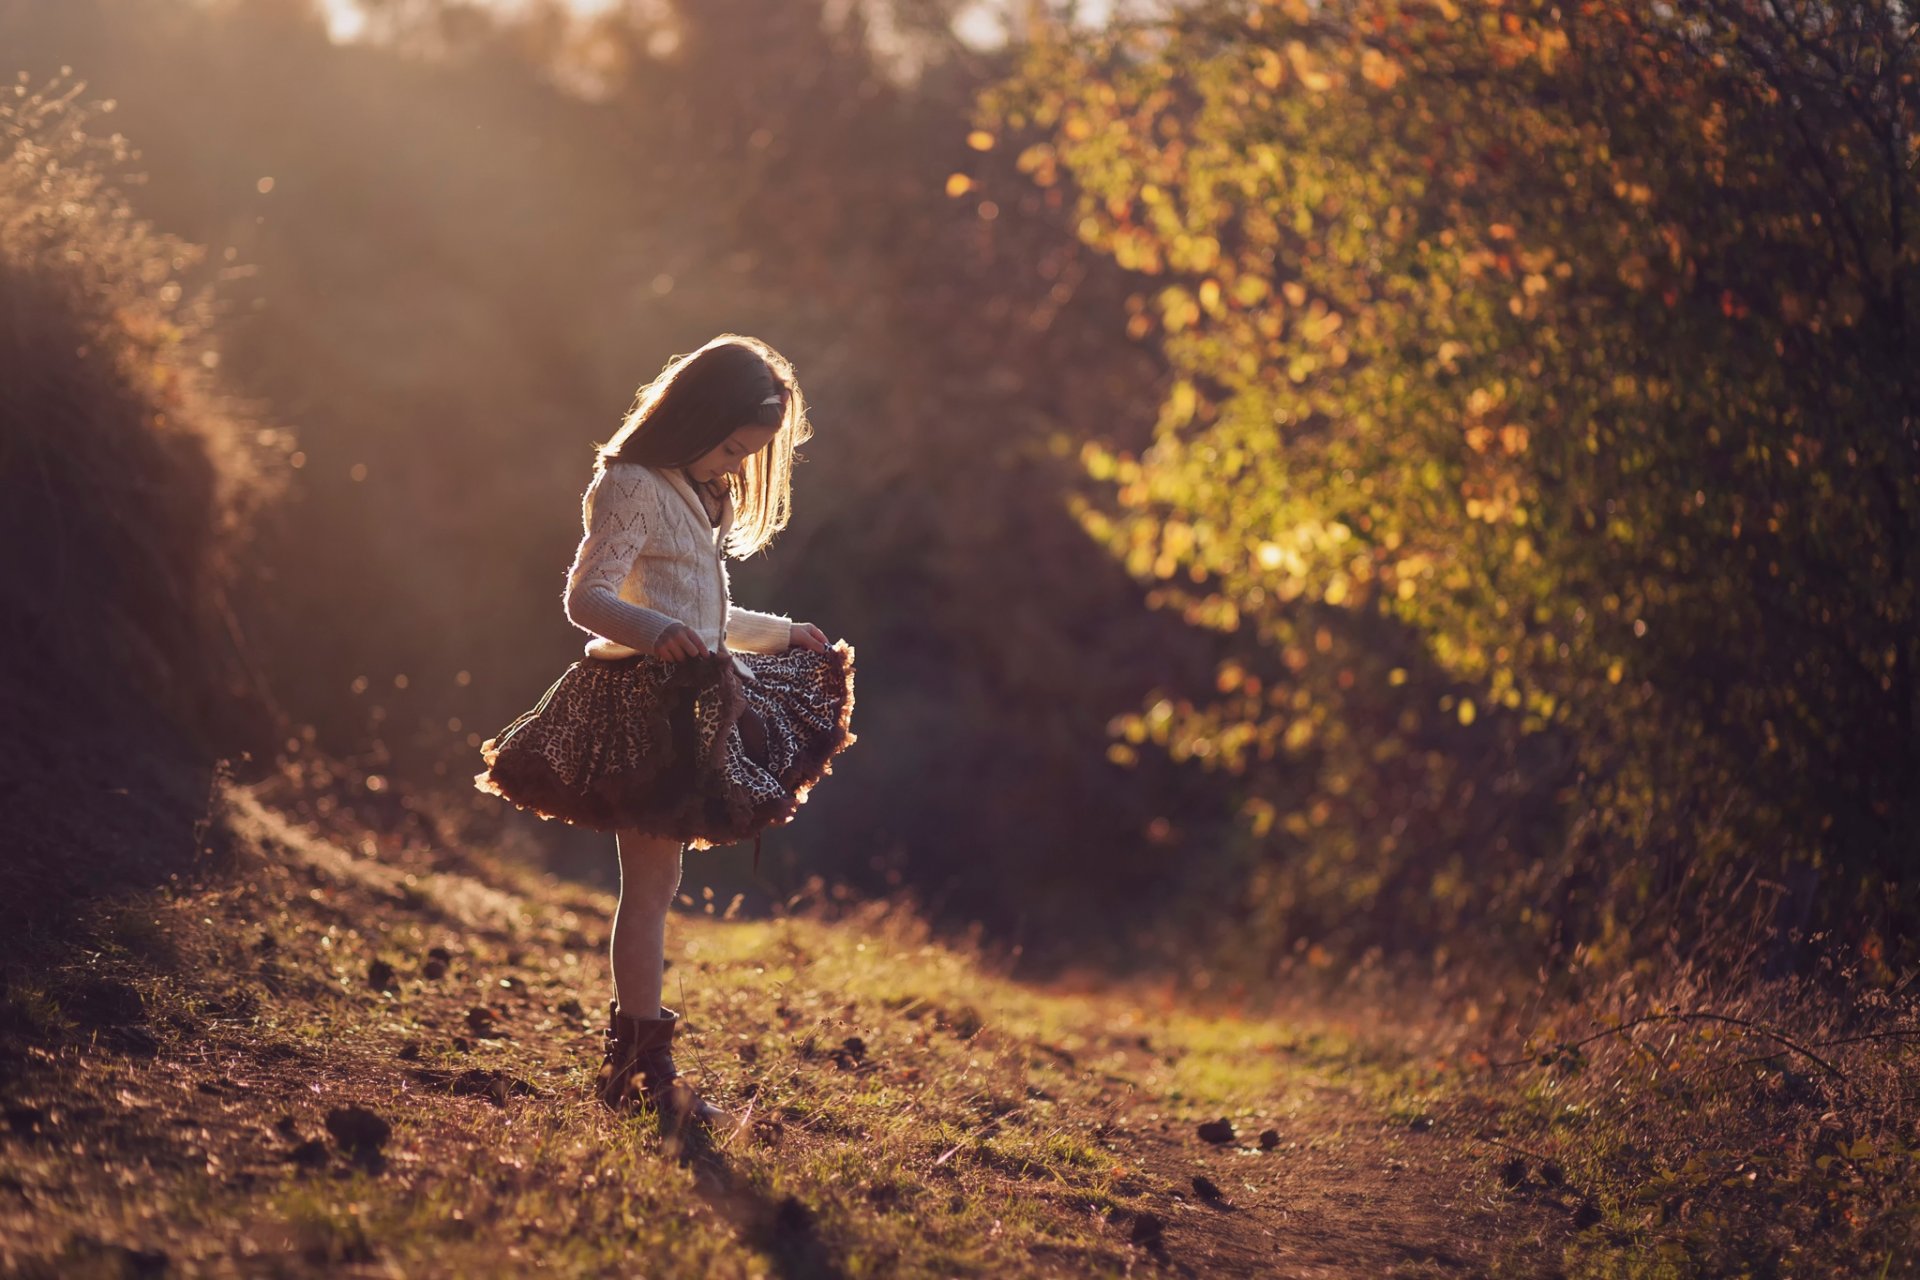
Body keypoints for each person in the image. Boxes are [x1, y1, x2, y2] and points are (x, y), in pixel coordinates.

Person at [473, 334, 856, 1138]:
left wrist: (785, 635)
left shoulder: (696, 490)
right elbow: (588, 598)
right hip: (648, 707)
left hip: (697, 699)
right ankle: (639, 1067)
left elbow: (707, 615)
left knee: (659, 887)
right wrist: (655, 634)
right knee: (648, 891)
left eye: (746, 455)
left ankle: (635, 1061)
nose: (732, 467)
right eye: (728, 447)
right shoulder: (631, 486)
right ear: (695, 417)